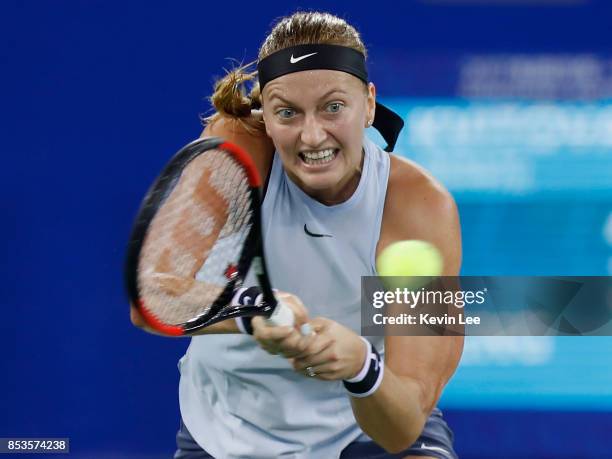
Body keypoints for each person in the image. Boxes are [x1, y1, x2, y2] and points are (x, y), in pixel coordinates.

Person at [131, 10, 463, 459]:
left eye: (333, 107)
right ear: (263, 115)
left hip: (364, 427)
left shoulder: (419, 206)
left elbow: (401, 427)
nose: (311, 135)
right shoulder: (234, 153)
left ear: (368, 104)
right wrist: (248, 312)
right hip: (228, 429)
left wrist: (361, 366)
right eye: (287, 112)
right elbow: (150, 295)